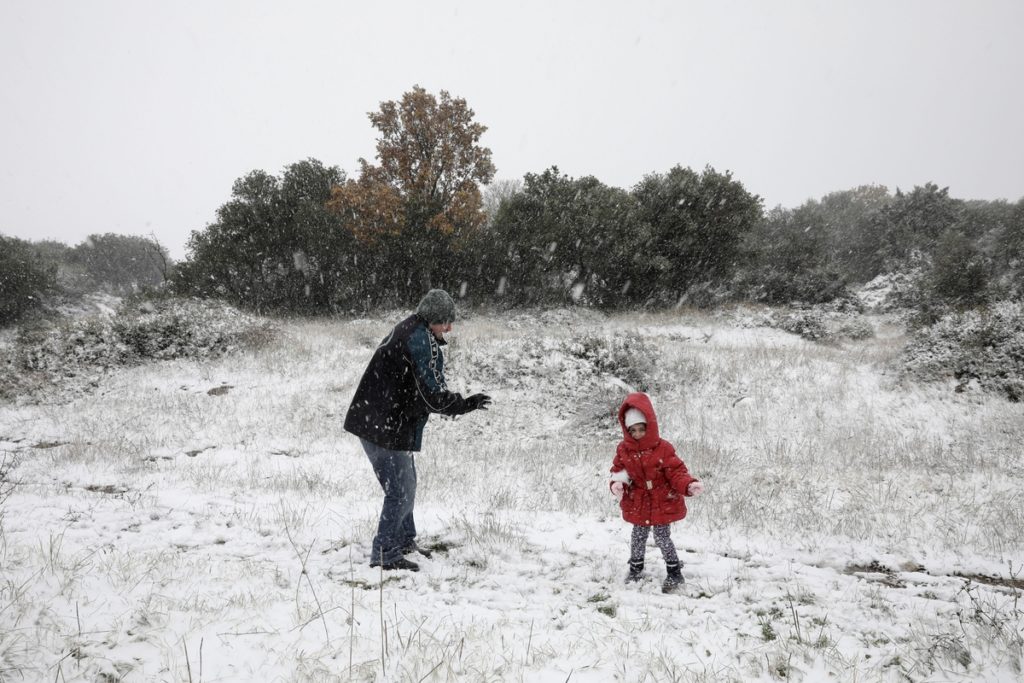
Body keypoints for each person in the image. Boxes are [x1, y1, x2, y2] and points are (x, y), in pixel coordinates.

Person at [344, 289, 492, 572]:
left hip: (379, 419)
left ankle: (403, 541)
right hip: (383, 424)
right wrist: (465, 404)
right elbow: (432, 396)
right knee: (400, 490)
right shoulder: (420, 339)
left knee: (406, 483)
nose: (449, 328)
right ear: (433, 319)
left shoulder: (413, 328)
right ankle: (386, 552)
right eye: (446, 322)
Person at [609, 392, 704, 593]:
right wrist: (618, 484)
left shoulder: (663, 448)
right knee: (638, 535)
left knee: (662, 537)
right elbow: (619, 470)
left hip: (662, 499)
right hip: (639, 500)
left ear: (649, 427)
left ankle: (674, 572)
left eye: (641, 429)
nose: (636, 434)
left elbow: (676, 471)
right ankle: (635, 568)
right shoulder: (624, 450)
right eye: (632, 430)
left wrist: (688, 485)